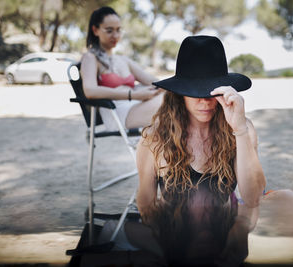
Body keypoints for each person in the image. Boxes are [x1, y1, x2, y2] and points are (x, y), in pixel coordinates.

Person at [135, 35, 266, 265]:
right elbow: (146, 204)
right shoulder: (155, 138)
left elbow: (253, 198)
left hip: (226, 239)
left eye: (212, 92)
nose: (205, 102)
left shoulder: (243, 130)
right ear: (179, 93)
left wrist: (240, 130)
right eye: (196, 92)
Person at [81, 6, 164, 131]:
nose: (115, 35)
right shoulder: (90, 58)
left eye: (118, 30)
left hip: (137, 106)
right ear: (95, 30)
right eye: (109, 31)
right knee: (170, 104)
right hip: (116, 112)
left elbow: (154, 81)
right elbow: (90, 90)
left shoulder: (123, 60)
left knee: (176, 96)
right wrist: (133, 95)